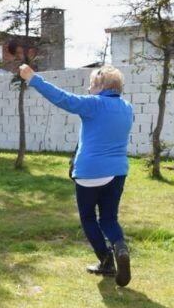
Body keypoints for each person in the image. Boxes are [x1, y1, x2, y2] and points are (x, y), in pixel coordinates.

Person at [19, 64, 133, 287]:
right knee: (109, 219)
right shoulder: (127, 107)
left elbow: (62, 98)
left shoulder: (94, 104)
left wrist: (33, 79)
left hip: (90, 172)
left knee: (88, 218)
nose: (89, 87)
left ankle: (106, 260)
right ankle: (120, 246)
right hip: (118, 171)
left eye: (91, 84)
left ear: (101, 86)